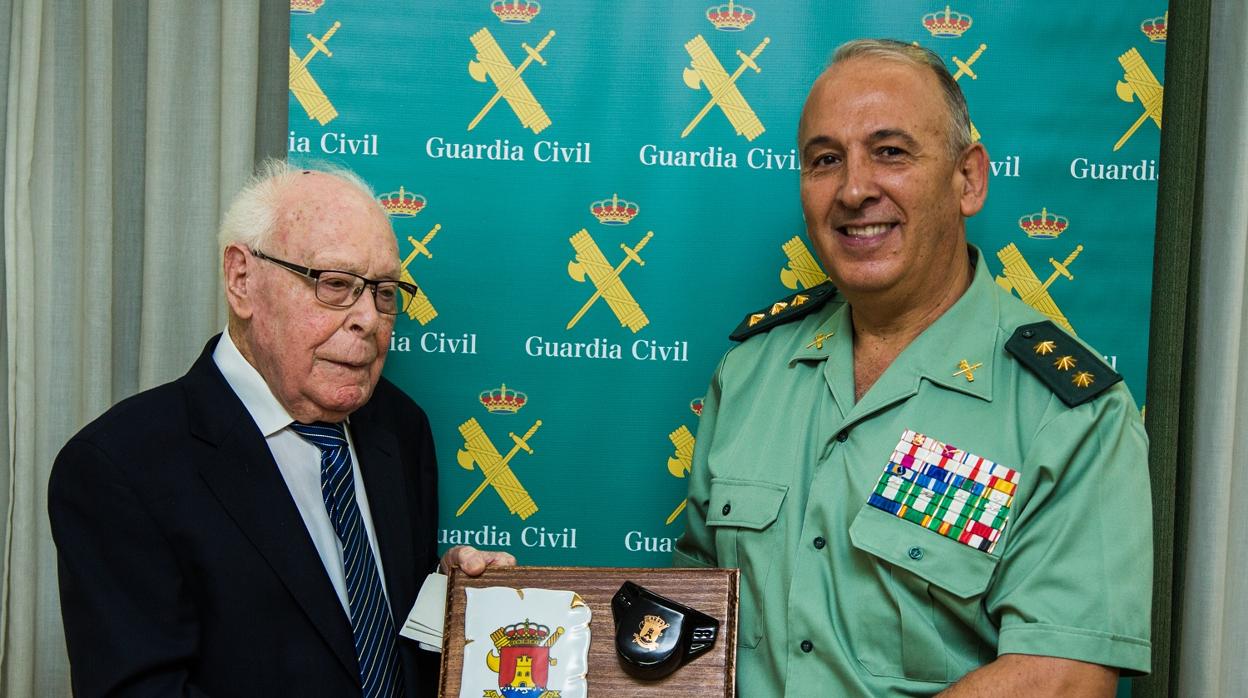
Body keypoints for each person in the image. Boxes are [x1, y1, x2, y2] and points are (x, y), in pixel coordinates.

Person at [674, 39, 1151, 696]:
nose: (854, 189)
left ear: (968, 179)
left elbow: (1062, 677)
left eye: (891, 152)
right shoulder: (750, 373)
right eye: (825, 160)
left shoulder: (1065, 411)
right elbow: (693, 618)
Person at [48, 161, 513, 697]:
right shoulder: (120, 467)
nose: (368, 318)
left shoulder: (400, 427)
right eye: (335, 284)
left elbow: (373, 639)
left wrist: (447, 605)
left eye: (384, 292)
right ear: (242, 280)